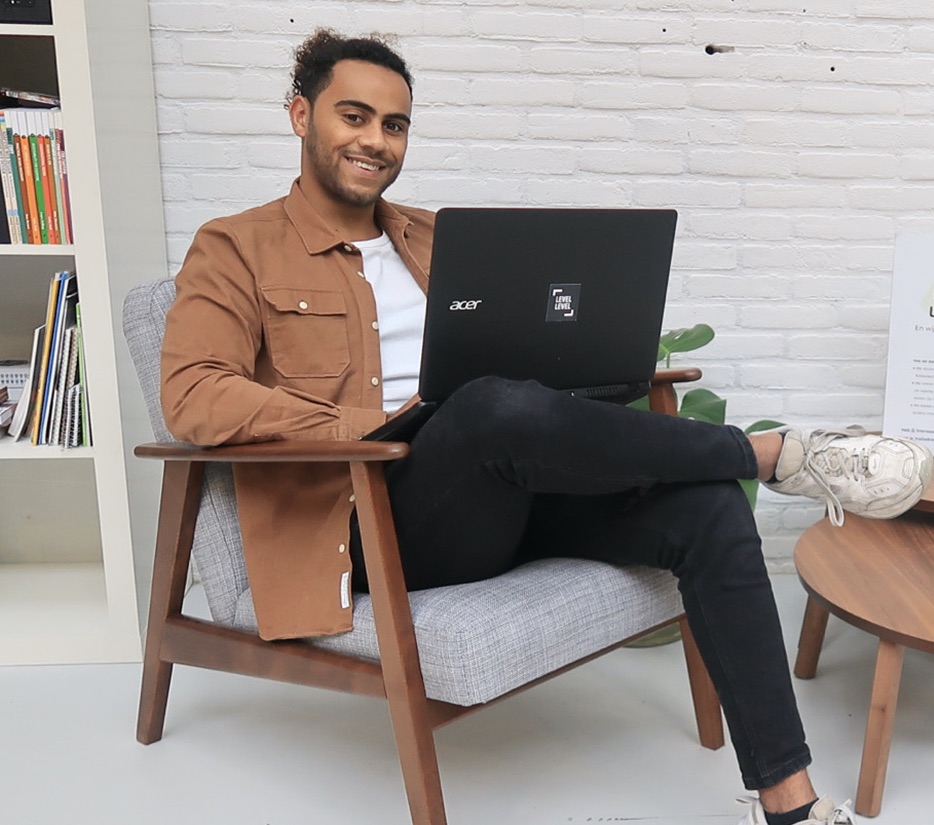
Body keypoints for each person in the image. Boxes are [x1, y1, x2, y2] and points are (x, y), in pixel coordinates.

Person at [160, 29, 931, 825]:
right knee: (492, 405)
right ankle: (773, 454)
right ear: (300, 115)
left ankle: (791, 805)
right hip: (370, 519)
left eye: (394, 125)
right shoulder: (235, 247)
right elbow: (193, 394)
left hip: (500, 488)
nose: (375, 141)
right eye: (353, 116)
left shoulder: (435, 236)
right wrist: (370, 422)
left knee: (710, 511)